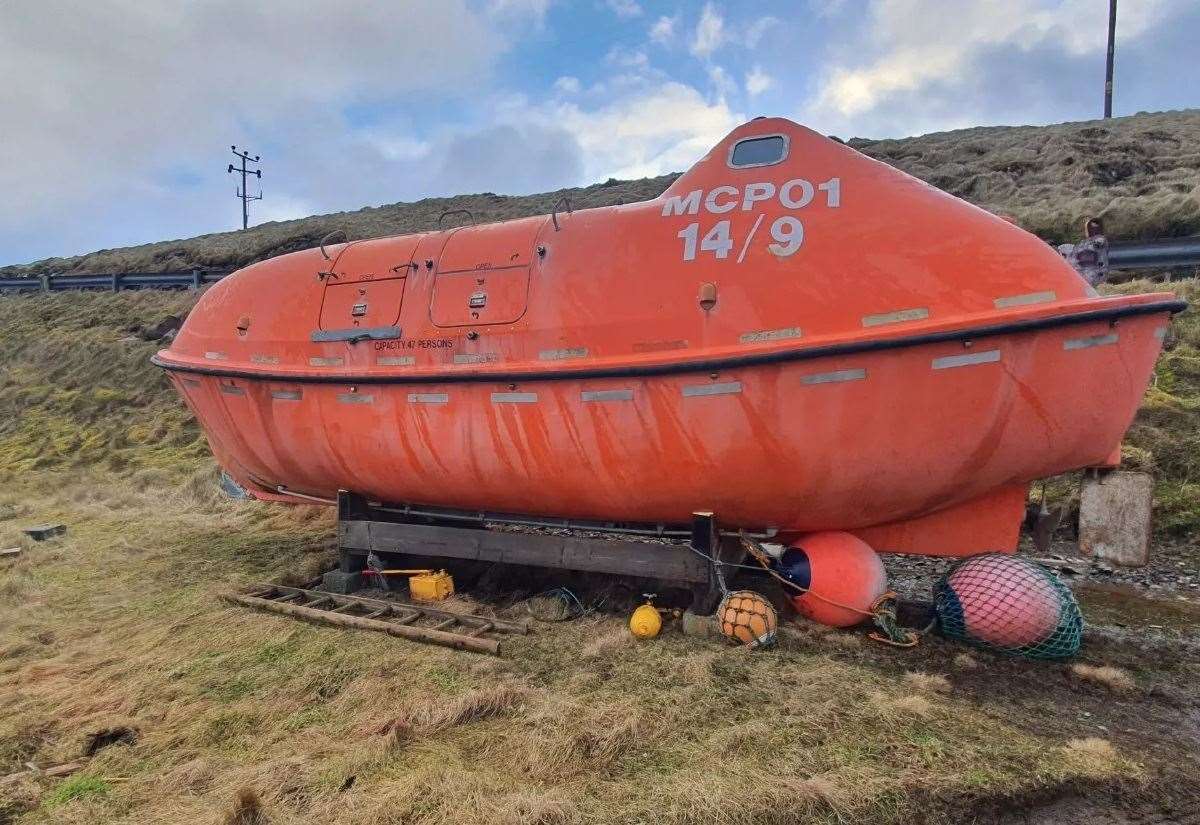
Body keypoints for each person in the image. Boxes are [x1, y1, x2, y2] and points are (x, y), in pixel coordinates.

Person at [1057, 217, 1109, 287]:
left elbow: (1081, 257)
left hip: (1091, 279)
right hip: (1089, 278)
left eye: (1093, 228)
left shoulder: (1099, 241)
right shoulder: (1087, 243)